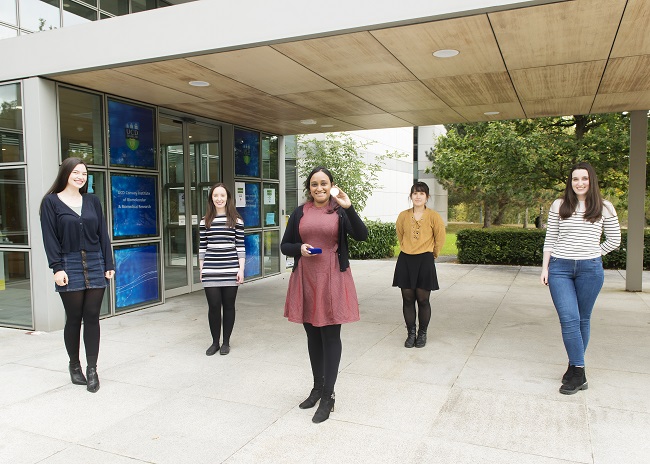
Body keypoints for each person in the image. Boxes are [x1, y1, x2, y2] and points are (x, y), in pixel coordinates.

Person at [281, 167, 368, 423]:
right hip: (306, 279)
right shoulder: (300, 211)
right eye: (314, 184)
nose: (319, 188)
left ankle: (328, 396)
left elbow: (361, 235)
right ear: (309, 187)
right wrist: (300, 248)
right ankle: (317, 388)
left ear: (332, 185)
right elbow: (286, 245)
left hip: (332, 277)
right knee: (312, 336)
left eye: (324, 183)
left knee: (330, 336)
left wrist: (349, 206)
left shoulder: (340, 210)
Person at [540, 162, 621, 395]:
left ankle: (575, 368)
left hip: (590, 270)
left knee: (583, 319)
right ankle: (579, 370)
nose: (579, 183)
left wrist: (595, 253)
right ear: (570, 182)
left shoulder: (605, 207)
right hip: (560, 268)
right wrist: (545, 268)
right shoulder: (559, 205)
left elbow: (614, 240)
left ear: (591, 180)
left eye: (584, 178)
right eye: (575, 179)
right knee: (569, 318)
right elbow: (551, 238)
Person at [40, 157, 115, 393]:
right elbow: (49, 237)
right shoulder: (50, 202)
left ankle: (92, 369)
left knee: (92, 316)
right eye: (76, 172)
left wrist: (108, 262)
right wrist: (57, 267)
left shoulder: (92, 201)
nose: (80, 176)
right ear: (66, 173)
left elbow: (103, 233)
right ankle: (75, 365)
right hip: (68, 263)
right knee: (74, 317)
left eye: (84, 173)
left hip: (95, 262)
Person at [393, 182, 446, 348]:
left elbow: (440, 238)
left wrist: (432, 255)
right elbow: (400, 235)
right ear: (411, 196)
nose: (418, 196)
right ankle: (411, 334)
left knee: (423, 299)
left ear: (427, 197)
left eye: (421, 193)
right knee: (407, 299)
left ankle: (422, 334)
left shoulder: (434, 216)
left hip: (425, 260)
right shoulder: (403, 216)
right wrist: (408, 248)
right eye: (415, 193)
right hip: (406, 260)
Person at [199, 183, 245, 356]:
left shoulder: (236, 221)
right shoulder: (205, 221)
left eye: (222, 196)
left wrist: (241, 269)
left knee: (229, 306)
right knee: (213, 306)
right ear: (211, 198)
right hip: (211, 269)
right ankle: (214, 342)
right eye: (215, 196)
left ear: (228, 198)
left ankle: (226, 342)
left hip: (231, 269)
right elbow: (202, 247)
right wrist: (201, 269)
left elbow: (240, 246)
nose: (219, 199)